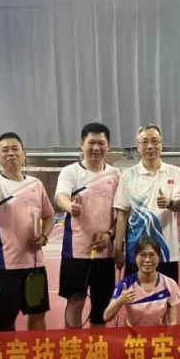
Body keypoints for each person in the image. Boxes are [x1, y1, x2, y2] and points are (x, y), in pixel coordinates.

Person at [0, 132, 55, 331]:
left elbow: (49, 216)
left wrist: (44, 236)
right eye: (5, 150)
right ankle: (7, 352)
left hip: (34, 263)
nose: (11, 153)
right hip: (4, 265)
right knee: (7, 318)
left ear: (24, 154)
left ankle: (36, 350)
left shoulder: (36, 184)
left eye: (15, 149)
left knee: (38, 314)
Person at [55, 123, 120, 328]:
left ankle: (97, 345)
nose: (96, 147)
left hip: (105, 252)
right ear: (82, 144)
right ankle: (72, 344)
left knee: (101, 307)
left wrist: (110, 235)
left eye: (101, 143)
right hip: (76, 252)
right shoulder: (70, 172)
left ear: (108, 145)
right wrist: (69, 206)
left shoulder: (116, 175)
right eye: (91, 142)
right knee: (76, 301)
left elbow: (120, 213)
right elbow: (61, 196)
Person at [113, 124, 180, 282]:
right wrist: (118, 249)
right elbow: (122, 215)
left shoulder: (175, 172)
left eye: (155, 141)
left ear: (161, 144)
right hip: (136, 250)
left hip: (166, 251)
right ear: (138, 147)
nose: (150, 146)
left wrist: (169, 203)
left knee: (167, 295)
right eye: (145, 142)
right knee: (134, 294)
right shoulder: (128, 175)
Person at [104, 236, 180, 326]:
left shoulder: (170, 284)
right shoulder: (125, 285)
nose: (147, 260)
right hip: (133, 334)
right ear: (135, 258)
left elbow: (173, 322)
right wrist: (120, 301)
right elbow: (106, 317)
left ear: (159, 257)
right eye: (142, 255)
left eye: (152, 255)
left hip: (160, 334)